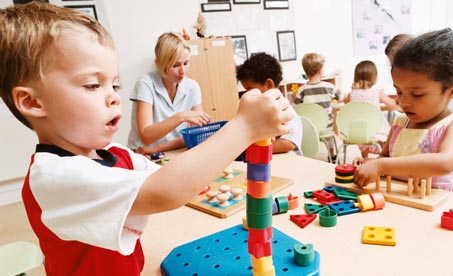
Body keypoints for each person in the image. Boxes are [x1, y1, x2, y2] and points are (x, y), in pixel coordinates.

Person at [0, 2, 293, 275]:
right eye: (92, 85)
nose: (114, 97)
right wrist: (244, 127)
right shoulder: (53, 176)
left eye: (114, 84)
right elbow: (165, 191)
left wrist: (209, 174)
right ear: (33, 103)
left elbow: (175, 177)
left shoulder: (115, 154)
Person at [353, 28, 453, 193]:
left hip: (438, 210)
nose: (403, 102)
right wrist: (370, 163)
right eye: (399, 92)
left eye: (417, 94)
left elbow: (445, 162)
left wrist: (381, 166)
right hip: (399, 205)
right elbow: (385, 158)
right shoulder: (400, 123)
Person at [127, 32, 211, 155]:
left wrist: (156, 148)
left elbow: (195, 137)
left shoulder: (192, 87)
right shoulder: (146, 83)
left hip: (171, 151)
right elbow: (146, 136)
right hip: (142, 154)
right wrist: (181, 117)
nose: (182, 71)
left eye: (186, 63)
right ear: (159, 63)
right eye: (175, 65)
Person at [236, 52, 302, 155]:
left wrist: (251, 149)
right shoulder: (257, 111)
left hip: (288, 163)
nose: (246, 94)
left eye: (249, 89)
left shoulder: (286, 111)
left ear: (269, 84)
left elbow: (288, 143)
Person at [344, 60, 396, 158]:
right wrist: (378, 108)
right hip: (375, 129)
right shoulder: (376, 92)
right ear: (374, 76)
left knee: (364, 135)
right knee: (385, 131)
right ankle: (382, 157)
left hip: (358, 131)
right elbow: (392, 105)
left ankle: (365, 158)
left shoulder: (352, 93)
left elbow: (345, 101)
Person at [295, 52, 341, 161]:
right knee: (330, 134)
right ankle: (332, 155)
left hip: (309, 129)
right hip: (326, 128)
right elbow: (341, 96)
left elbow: (296, 108)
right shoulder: (330, 87)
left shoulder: (302, 90)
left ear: (306, 72)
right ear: (321, 71)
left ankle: (306, 155)